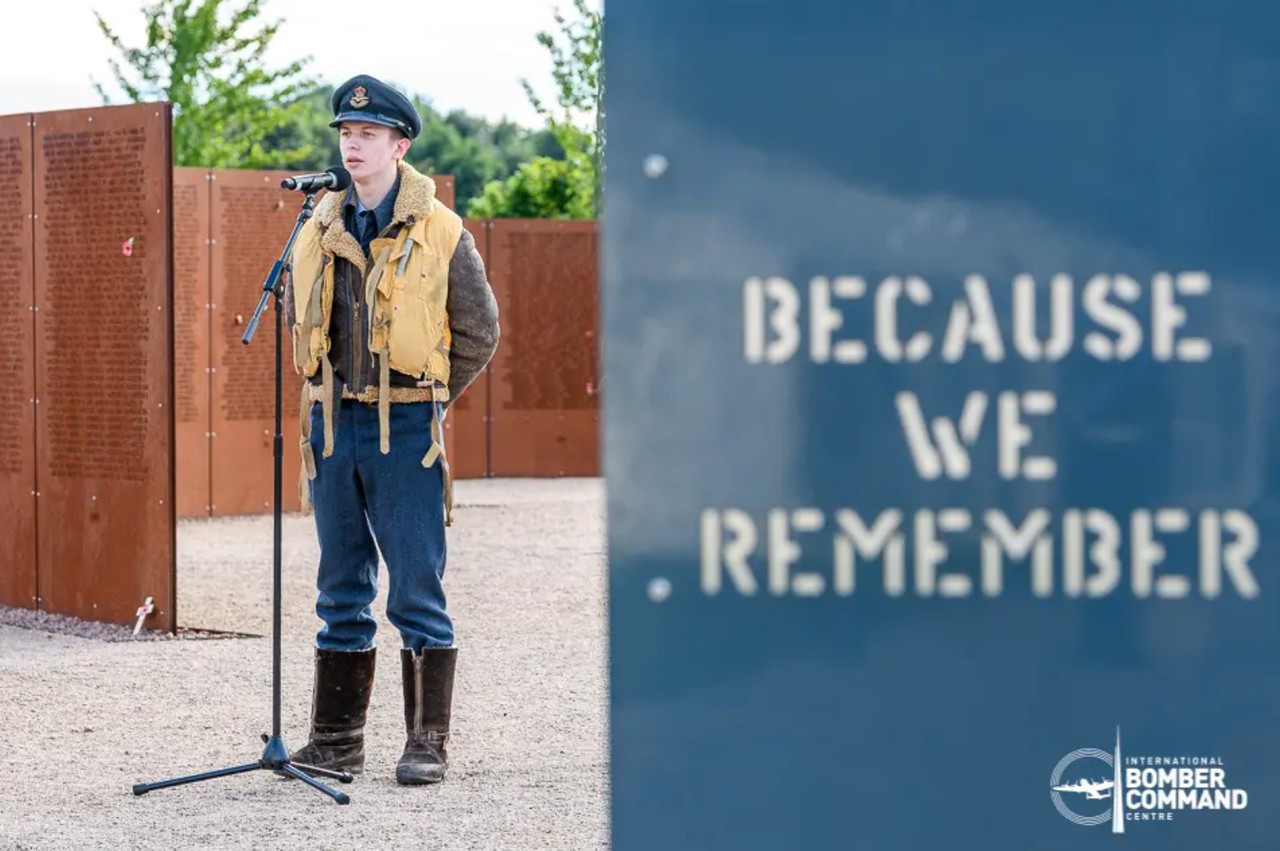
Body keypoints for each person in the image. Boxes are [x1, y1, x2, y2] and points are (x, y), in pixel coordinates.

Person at [282, 74, 499, 785]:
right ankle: (335, 742)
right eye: (347, 133)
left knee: (415, 587)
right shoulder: (319, 223)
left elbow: (479, 331)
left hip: (406, 428)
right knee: (339, 585)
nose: (353, 144)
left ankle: (427, 741)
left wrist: (426, 398)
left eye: (369, 134)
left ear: (400, 145)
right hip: (332, 426)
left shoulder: (442, 231)